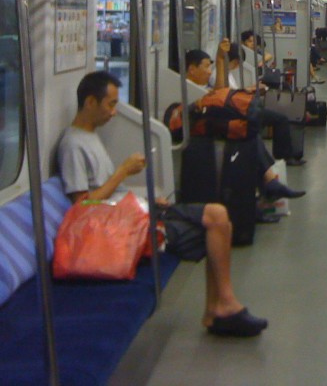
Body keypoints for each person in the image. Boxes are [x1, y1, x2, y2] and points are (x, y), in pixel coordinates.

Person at [57, 72, 268, 337]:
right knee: (215, 224)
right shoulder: (73, 145)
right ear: (90, 102)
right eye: (110, 104)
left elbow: (108, 193)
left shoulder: (90, 136)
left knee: (219, 215)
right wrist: (123, 171)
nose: (113, 112)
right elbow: (83, 205)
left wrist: (143, 199)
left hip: (128, 213)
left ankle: (219, 306)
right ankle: (221, 308)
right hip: (116, 228)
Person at [184, 46, 306, 170]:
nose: (209, 71)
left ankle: (274, 166)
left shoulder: (217, 78)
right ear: (192, 69)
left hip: (234, 110)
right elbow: (223, 95)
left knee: (258, 124)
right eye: (206, 67)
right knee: (277, 120)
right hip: (231, 114)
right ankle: (281, 160)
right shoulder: (196, 87)